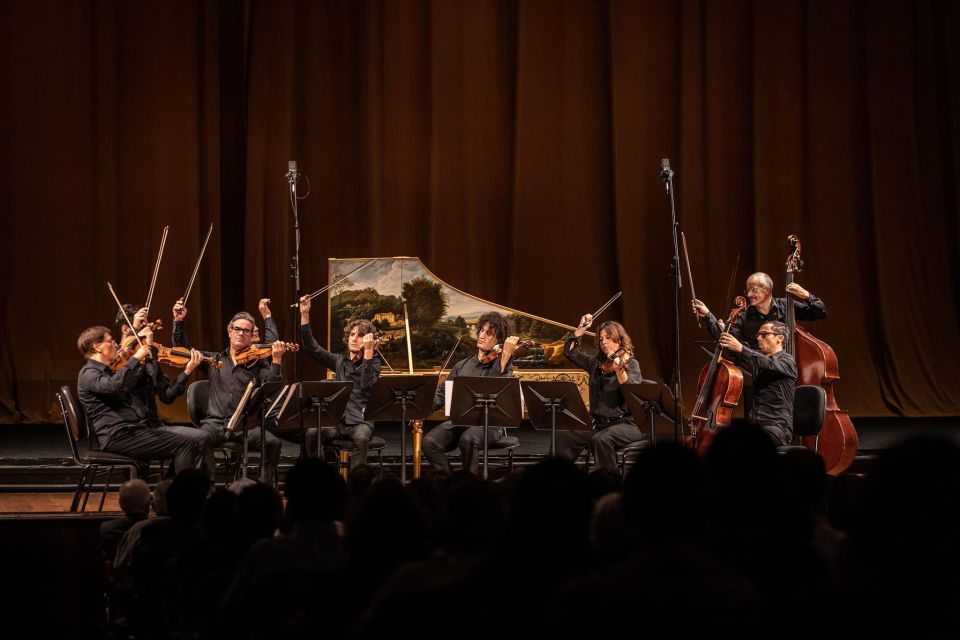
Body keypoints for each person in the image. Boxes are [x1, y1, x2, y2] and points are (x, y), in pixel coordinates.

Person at [173, 310, 288, 484]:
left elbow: (271, 388)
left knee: (273, 443)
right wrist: (178, 322)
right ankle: (209, 488)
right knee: (200, 438)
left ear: (251, 336)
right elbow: (184, 349)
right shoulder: (215, 360)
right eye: (237, 329)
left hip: (243, 427)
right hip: (214, 424)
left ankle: (263, 490)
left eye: (246, 331)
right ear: (229, 331)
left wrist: (277, 360)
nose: (241, 333)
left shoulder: (257, 364)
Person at [76, 326, 205, 473]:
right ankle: (174, 493)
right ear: (97, 347)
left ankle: (169, 491)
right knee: (186, 443)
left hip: (131, 431)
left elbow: (134, 383)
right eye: (110, 341)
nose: (116, 345)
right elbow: (113, 386)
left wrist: (148, 357)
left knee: (191, 441)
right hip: (117, 436)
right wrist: (136, 357)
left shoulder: (108, 371)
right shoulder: (89, 373)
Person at [114, 304, 209, 472]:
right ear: (125, 329)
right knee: (189, 441)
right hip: (131, 431)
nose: (148, 333)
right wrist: (138, 337)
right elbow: (124, 383)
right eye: (143, 328)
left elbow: (167, 396)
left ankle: (173, 488)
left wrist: (187, 371)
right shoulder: (117, 360)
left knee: (201, 437)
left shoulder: (152, 355)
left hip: (154, 425)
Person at [423, 311, 520, 474]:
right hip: (460, 421)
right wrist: (420, 410)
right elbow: (442, 394)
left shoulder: (503, 363)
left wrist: (506, 355)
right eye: (481, 330)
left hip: (490, 424)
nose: (482, 335)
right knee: (429, 442)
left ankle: (470, 485)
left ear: (499, 341)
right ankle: (451, 481)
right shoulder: (462, 365)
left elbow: (499, 389)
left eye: (489, 333)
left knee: (468, 439)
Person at [299, 295, 381, 468]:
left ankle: (356, 484)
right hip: (337, 422)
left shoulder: (374, 363)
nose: (354, 338)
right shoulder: (339, 361)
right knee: (312, 433)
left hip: (360, 422)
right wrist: (305, 315)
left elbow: (366, 384)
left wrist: (368, 352)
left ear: (368, 340)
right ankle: (318, 477)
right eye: (352, 334)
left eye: (360, 336)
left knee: (361, 438)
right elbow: (311, 347)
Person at [556, 314, 644, 471]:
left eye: (608, 338)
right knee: (565, 435)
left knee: (600, 439)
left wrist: (620, 372)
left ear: (619, 340)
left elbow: (632, 394)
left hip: (627, 424)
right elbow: (570, 352)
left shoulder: (631, 364)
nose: (604, 342)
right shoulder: (595, 364)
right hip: (599, 423)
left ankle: (608, 481)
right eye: (601, 339)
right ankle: (557, 478)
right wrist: (582, 327)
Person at [691, 271, 826, 351]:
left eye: (753, 290)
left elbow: (820, 312)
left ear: (767, 289)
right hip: (759, 377)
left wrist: (806, 295)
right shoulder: (744, 315)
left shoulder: (786, 306)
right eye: (747, 290)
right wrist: (707, 315)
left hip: (791, 369)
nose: (748, 294)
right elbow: (728, 339)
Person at [718, 321, 798, 446]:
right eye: (759, 335)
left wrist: (741, 348)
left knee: (748, 444)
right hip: (756, 426)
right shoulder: (759, 361)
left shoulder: (787, 361)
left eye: (764, 334)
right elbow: (735, 350)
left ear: (779, 338)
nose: (758, 338)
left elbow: (767, 363)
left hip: (777, 428)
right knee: (725, 438)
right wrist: (708, 317)